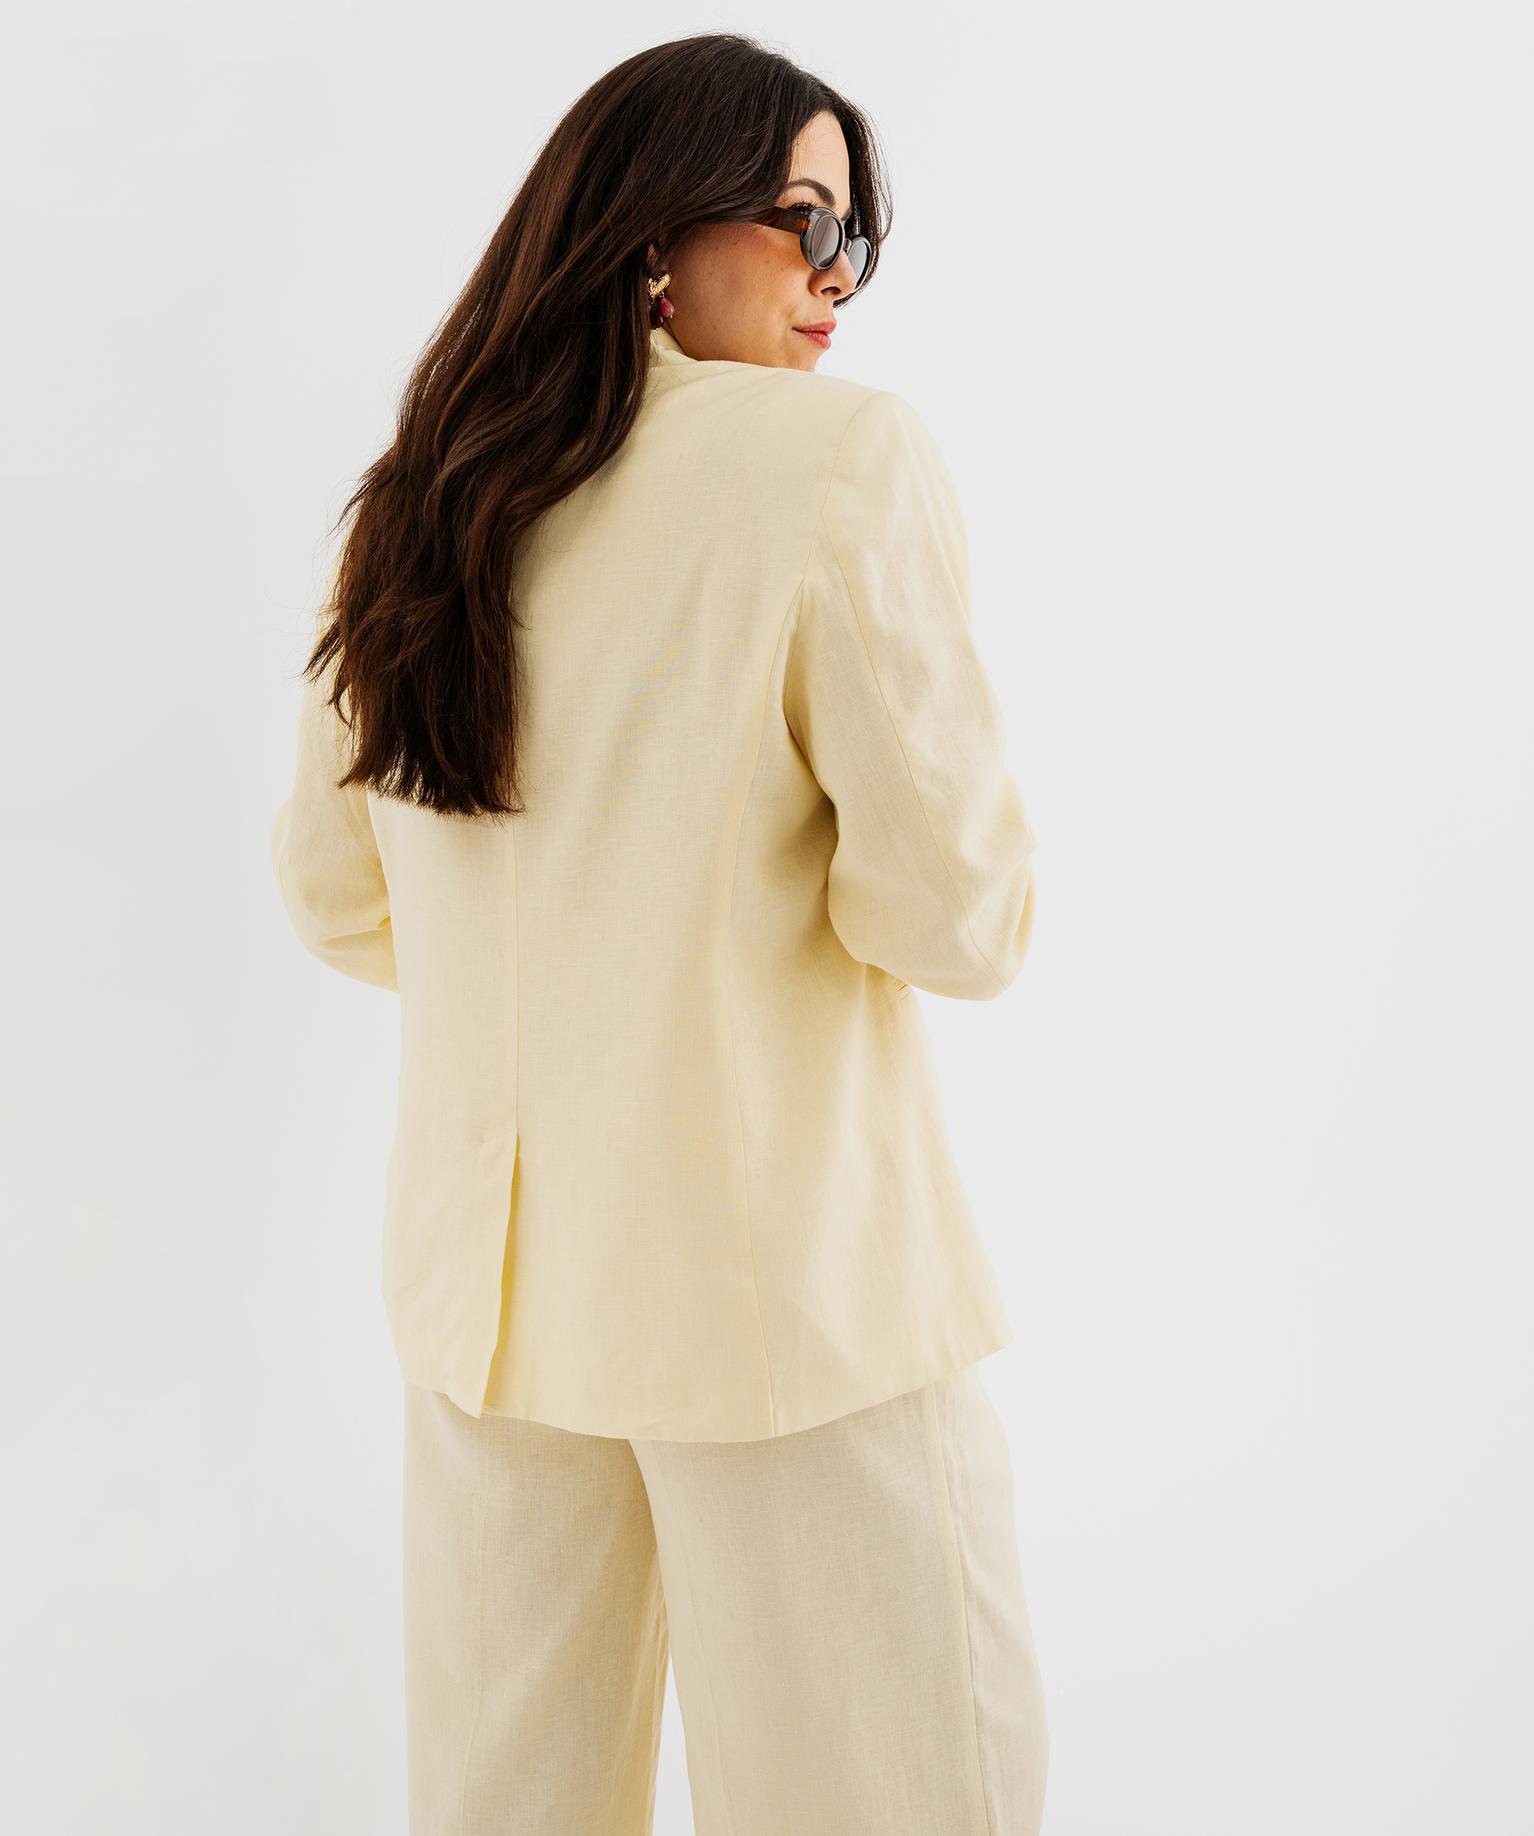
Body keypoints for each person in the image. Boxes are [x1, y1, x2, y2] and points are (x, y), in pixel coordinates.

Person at [269, 30, 1048, 1836]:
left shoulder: (420, 499)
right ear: (649, 232)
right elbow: (959, 918)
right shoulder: (835, 461)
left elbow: (332, 893)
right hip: (784, 1301)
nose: (837, 279)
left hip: (490, 1308)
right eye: (805, 221)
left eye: (855, 239)